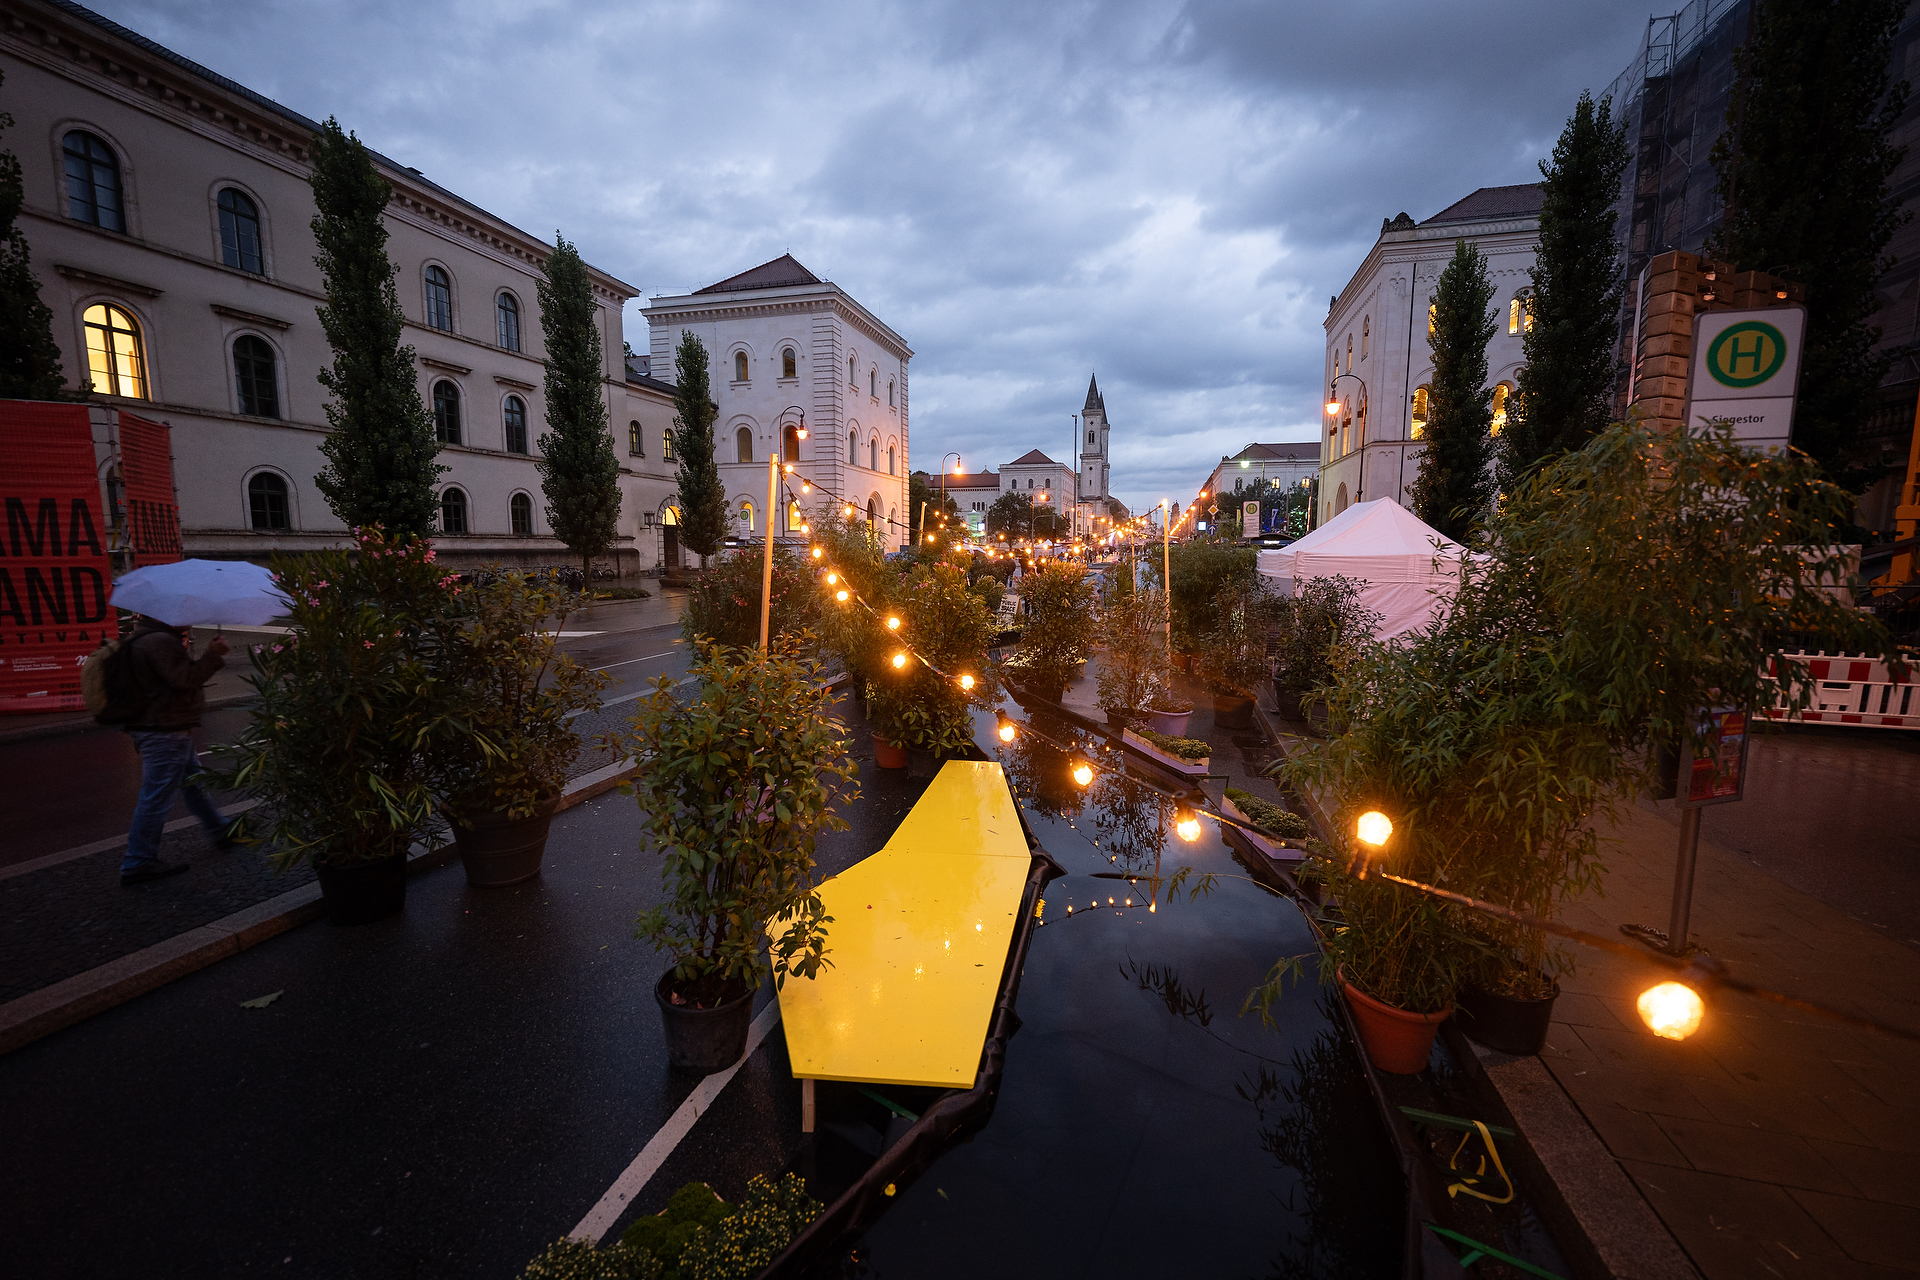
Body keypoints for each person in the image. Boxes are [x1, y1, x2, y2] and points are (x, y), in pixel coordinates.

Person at [119, 616, 231, 886]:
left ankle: (220, 829)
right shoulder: (160, 642)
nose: (189, 619)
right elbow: (186, 678)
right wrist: (213, 654)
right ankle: (138, 860)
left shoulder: (141, 637)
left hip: (159, 725)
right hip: (164, 729)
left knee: (194, 783)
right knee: (156, 797)